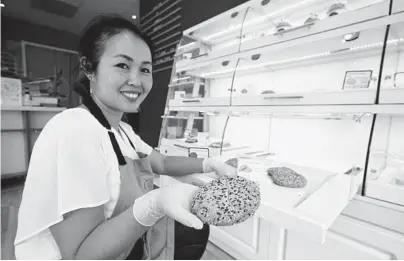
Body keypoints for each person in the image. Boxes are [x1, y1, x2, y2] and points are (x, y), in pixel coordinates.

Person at [14, 15, 236, 260]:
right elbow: (80, 256)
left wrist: (209, 163)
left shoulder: (122, 131)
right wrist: (153, 204)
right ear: (89, 68)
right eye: (122, 65)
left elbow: (160, 163)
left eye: (145, 69)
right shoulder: (74, 130)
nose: (136, 80)